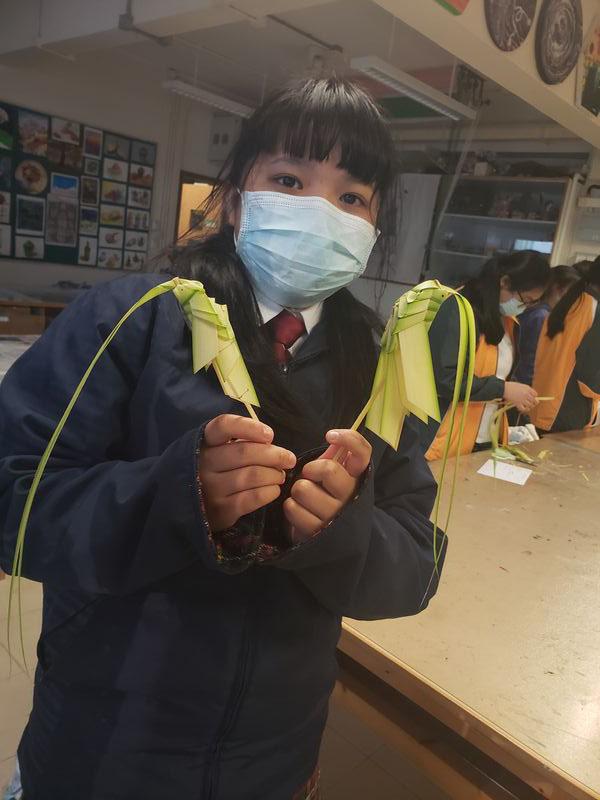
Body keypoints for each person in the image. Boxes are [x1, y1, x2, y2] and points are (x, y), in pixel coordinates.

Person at [0, 78, 443, 800]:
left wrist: (345, 528)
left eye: (352, 197)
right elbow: (14, 494)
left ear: (373, 226)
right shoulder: (130, 319)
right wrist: (175, 496)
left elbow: (414, 565)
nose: (319, 212)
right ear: (236, 200)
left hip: (274, 759)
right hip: (105, 748)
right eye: (290, 181)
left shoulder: (383, 366)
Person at [416, 251, 550, 460]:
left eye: (532, 303)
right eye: (524, 300)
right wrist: (504, 389)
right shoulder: (457, 309)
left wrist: (513, 394)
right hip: (445, 440)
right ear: (504, 282)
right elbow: (444, 379)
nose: (524, 308)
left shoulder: (508, 321)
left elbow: (495, 372)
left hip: (485, 438)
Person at [531, 256, 600, 433]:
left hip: (543, 403)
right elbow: (589, 377)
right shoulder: (594, 310)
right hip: (568, 410)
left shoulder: (573, 300)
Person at [512, 264, 581, 386]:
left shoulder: (536, 311)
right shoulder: (542, 316)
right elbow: (532, 358)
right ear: (557, 288)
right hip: (525, 383)